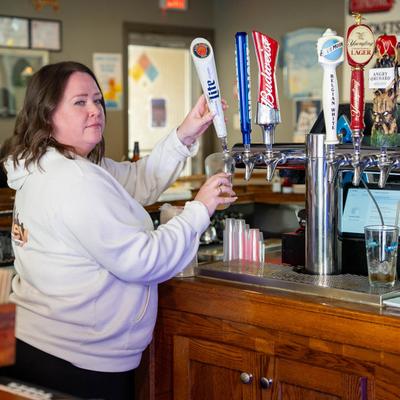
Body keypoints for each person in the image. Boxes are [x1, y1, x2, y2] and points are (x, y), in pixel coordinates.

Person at [0, 61, 237, 399]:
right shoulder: (75, 181)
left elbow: (138, 181)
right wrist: (201, 208)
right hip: (77, 362)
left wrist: (187, 131)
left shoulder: (50, 165)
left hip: (40, 346)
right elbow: (145, 260)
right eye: (80, 102)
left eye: (97, 100)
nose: (95, 110)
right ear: (46, 114)